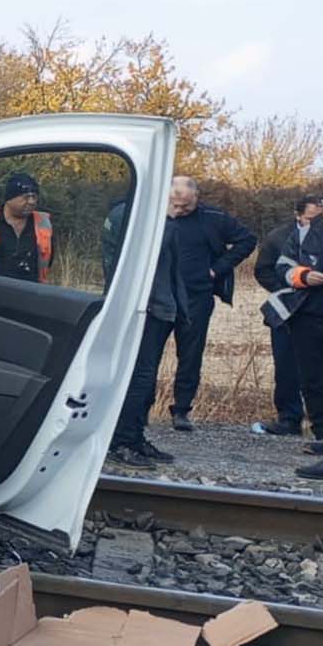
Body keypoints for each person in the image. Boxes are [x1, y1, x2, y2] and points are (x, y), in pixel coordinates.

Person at [162, 176, 257, 431]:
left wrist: (218, 270)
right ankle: (141, 407)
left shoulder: (214, 217)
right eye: (175, 204)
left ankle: (181, 410)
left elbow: (247, 240)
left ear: (196, 197)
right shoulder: (156, 214)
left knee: (190, 355)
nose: (179, 210)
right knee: (148, 355)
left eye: (185, 206)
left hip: (197, 295)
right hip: (159, 296)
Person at [107, 199, 189, 468]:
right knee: (136, 378)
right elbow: (144, 255)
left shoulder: (155, 217)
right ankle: (120, 442)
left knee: (146, 379)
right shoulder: (131, 215)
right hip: (142, 308)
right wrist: (166, 217)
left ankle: (134, 438)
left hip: (159, 308)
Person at [281, 193, 323, 480]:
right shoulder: (306, 233)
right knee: (312, 380)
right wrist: (304, 276)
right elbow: (282, 266)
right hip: (307, 313)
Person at [254, 197, 323, 435]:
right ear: (298, 215)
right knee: (286, 366)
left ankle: (322, 426)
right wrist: (288, 291)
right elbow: (263, 270)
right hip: (287, 311)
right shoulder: (279, 237)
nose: (317, 223)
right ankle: (289, 417)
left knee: (320, 370)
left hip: (320, 312)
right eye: (311, 218)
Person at [0, 172, 54, 282]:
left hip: (30, 292)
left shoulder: (44, 223)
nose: (31, 202)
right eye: (26, 197)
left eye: (34, 197)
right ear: (9, 199)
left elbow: (47, 261)